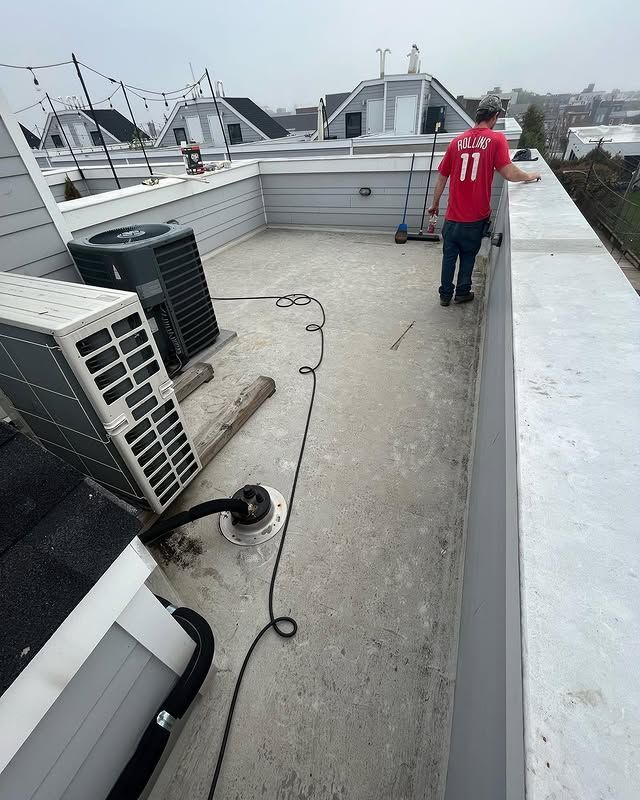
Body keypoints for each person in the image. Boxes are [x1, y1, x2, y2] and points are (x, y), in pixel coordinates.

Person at [428, 94, 541, 306]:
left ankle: (445, 295)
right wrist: (529, 176)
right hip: (475, 217)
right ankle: (462, 292)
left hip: (452, 217)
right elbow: (508, 172)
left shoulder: (456, 142)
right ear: (495, 116)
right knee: (469, 255)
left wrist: (434, 205)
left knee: (449, 256)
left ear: (477, 114)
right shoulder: (496, 140)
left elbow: (442, 177)